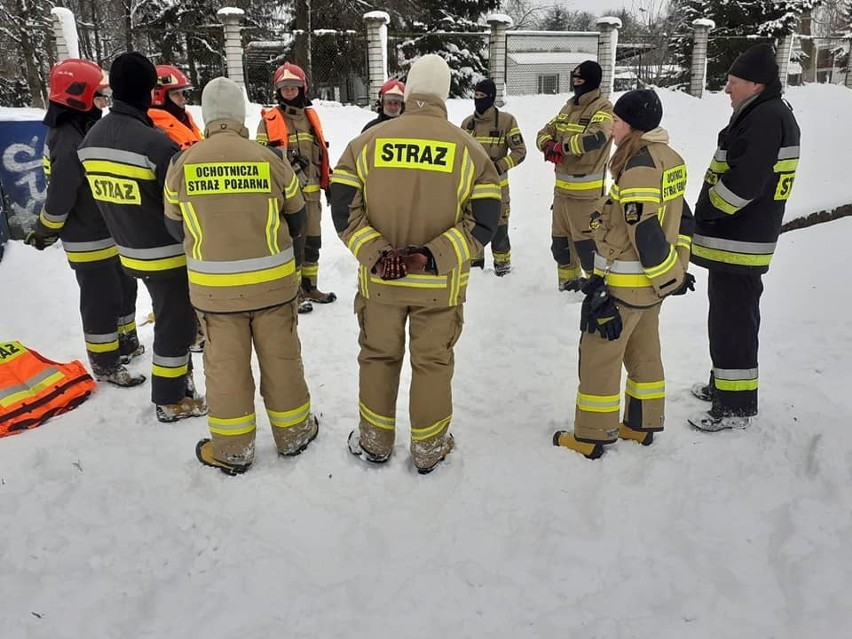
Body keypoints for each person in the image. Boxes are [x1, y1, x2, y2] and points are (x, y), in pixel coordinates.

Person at [329, 54, 502, 474]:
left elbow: (341, 212)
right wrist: (429, 257)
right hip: (438, 286)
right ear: (445, 93)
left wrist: (379, 255)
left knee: (377, 358)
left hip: (380, 284)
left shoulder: (364, 145)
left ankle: (374, 442)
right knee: (432, 365)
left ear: (407, 91)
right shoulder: (471, 152)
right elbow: (484, 223)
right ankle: (428, 448)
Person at [164, 77, 318, 475]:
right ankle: (295, 434)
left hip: (215, 295)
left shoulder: (184, 163)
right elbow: (299, 217)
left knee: (225, 370)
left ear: (208, 116)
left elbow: (171, 225)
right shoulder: (268, 159)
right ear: (241, 114)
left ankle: (233, 450)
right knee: (283, 360)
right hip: (273, 287)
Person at [553, 89, 695, 459]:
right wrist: (674, 274)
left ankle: (591, 435)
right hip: (650, 289)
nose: (611, 127)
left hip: (626, 287)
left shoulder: (639, 169)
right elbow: (684, 218)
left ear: (631, 126)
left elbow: (644, 230)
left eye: (616, 121)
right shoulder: (671, 159)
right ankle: (641, 423)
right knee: (644, 353)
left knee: (599, 356)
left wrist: (664, 277)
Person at [78, 52, 206, 423]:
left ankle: (179, 388)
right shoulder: (156, 145)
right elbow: (179, 205)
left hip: (126, 249)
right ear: (150, 91)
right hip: (165, 252)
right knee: (175, 326)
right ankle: (171, 400)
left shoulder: (91, 139)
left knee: (172, 320)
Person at [688, 43, 801, 432]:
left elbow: (744, 184)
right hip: (737, 240)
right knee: (728, 317)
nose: (726, 89)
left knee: (733, 321)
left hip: (739, 240)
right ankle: (724, 386)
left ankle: (735, 406)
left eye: (732, 82)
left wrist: (709, 212)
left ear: (754, 83)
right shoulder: (762, 112)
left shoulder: (766, 118)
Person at [26, 58, 143, 387]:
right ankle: (106, 364)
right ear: (77, 96)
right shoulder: (66, 136)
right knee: (100, 299)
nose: (104, 102)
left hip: (107, 229)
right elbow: (61, 195)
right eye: (99, 96)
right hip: (86, 236)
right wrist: (46, 230)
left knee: (124, 286)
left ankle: (125, 342)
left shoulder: (84, 127)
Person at [256, 62, 336, 313]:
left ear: (303, 88)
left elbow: (320, 154)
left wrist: (329, 180)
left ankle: (309, 286)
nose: (289, 92)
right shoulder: (269, 121)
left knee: (313, 242)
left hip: (312, 197)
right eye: (284, 88)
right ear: (277, 91)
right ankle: (292, 293)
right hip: (286, 198)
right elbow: (262, 161)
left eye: (293, 87)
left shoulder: (311, 119)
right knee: (292, 245)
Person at [536, 61, 613, 292]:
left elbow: (595, 138)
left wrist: (562, 147)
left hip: (587, 198)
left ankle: (595, 291)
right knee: (561, 247)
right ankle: (567, 289)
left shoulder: (603, 109)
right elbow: (542, 133)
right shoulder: (567, 108)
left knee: (588, 250)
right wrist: (548, 145)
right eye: (574, 79)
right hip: (561, 196)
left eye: (580, 80)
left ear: (591, 82)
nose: (576, 84)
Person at [149, 64, 206, 352]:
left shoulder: (182, 119)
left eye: (184, 93)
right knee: (180, 282)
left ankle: (197, 324)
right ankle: (192, 331)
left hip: (195, 206)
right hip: (176, 210)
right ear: (160, 95)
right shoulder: (157, 125)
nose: (184, 99)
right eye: (178, 94)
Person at [460, 78, 526, 275]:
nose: (478, 100)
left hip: (498, 189)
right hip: (472, 190)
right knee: (474, 228)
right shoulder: (467, 124)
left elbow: (520, 151)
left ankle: (503, 270)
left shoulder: (506, 121)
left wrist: (499, 166)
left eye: (482, 96)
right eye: (476, 96)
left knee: (500, 230)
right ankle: (476, 271)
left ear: (491, 97)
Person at [149, 65, 203, 150]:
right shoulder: (155, 129)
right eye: (176, 94)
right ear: (158, 95)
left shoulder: (185, 120)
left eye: (182, 93)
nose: (183, 99)